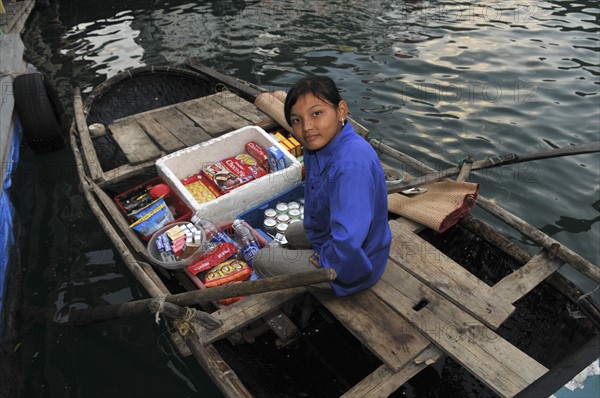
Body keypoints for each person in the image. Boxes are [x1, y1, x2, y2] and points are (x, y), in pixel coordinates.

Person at [252, 75, 392, 297]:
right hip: (340, 237)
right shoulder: (319, 146)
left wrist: (330, 258)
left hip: (358, 262)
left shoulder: (351, 163)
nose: (306, 127)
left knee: (261, 261)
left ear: (341, 111)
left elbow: (350, 238)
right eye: (296, 120)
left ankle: (336, 275)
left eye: (316, 113)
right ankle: (323, 253)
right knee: (292, 231)